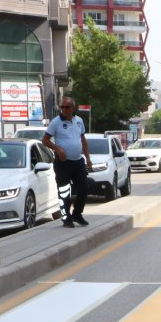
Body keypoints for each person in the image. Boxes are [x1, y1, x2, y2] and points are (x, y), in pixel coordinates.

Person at [43, 97, 92, 227]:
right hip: (63, 163)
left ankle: (77, 214)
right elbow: (45, 140)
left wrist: (88, 158)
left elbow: (83, 140)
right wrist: (58, 149)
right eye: (62, 107)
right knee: (64, 191)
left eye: (67, 107)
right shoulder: (56, 122)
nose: (64, 109)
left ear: (73, 108)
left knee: (84, 188)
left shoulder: (79, 121)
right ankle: (67, 218)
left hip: (78, 162)